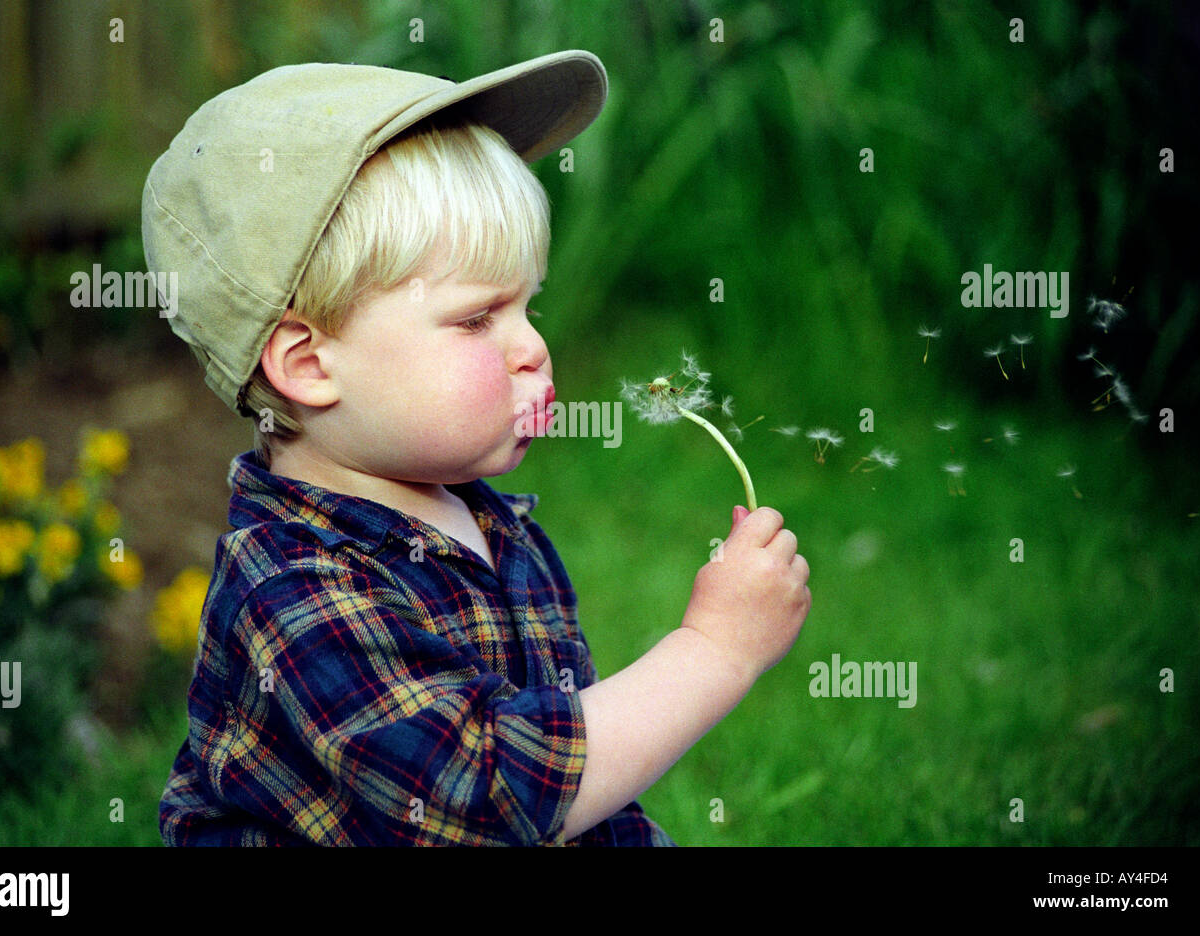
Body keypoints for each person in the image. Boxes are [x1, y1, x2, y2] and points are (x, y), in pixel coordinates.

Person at [143, 51, 811, 846]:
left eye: (529, 307)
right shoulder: (291, 591)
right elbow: (494, 798)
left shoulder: (486, 524)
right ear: (309, 365)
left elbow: (583, 810)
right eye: (475, 319)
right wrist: (714, 652)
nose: (533, 348)